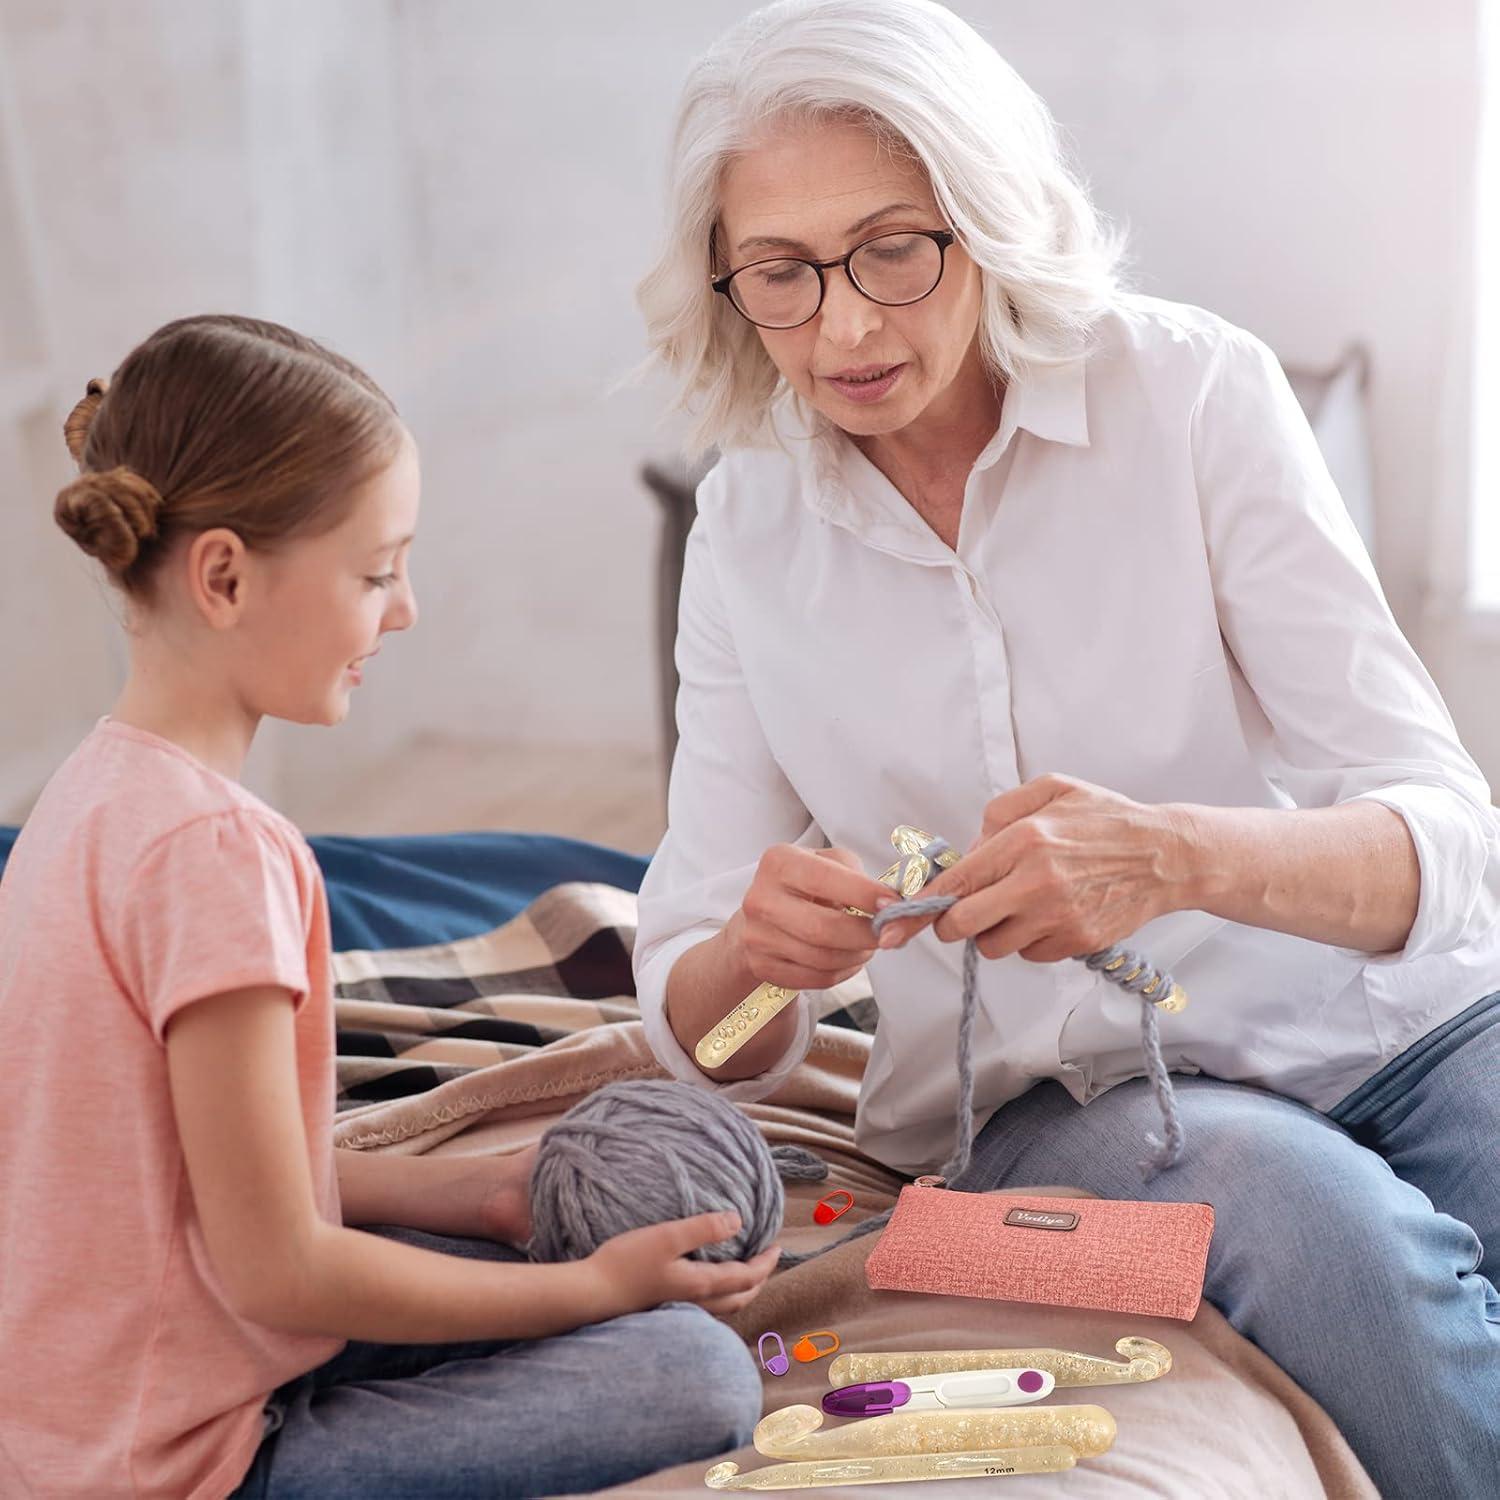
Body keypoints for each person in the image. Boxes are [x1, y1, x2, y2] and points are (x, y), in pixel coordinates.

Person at [631, 3, 1500, 1495]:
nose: (841, 325)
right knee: (1311, 1224)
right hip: (1072, 1115)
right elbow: (703, 1044)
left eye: (894, 248)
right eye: (779, 274)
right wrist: (754, 965)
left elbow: (1449, 846)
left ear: (994, 216)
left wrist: (1177, 856)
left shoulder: (1193, 394)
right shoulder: (747, 532)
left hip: (1402, 1029)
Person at [0, 315, 771, 1500]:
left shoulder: (84, 798)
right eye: (375, 572)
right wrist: (589, 1293)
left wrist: (477, 1192)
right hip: (179, 1461)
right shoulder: (216, 853)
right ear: (223, 575)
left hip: (85, 1391)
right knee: (692, 1374)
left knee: (488, 1251)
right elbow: (278, 1273)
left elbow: (190, 1175)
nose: (403, 610)